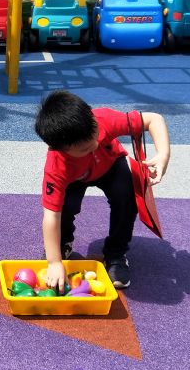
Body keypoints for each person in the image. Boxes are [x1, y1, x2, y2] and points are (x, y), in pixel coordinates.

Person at [34, 90, 170, 291]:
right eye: (85, 148)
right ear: (60, 149)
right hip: (74, 178)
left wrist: (163, 154)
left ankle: (116, 254)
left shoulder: (103, 119)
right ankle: (63, 243)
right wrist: (54, 262)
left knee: (126, 197)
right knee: (65, 206)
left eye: (95, 135)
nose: (96, 144)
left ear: (91, 117)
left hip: (111, 166)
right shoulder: (57, 166)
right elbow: (51, 216)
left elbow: (153, 119)